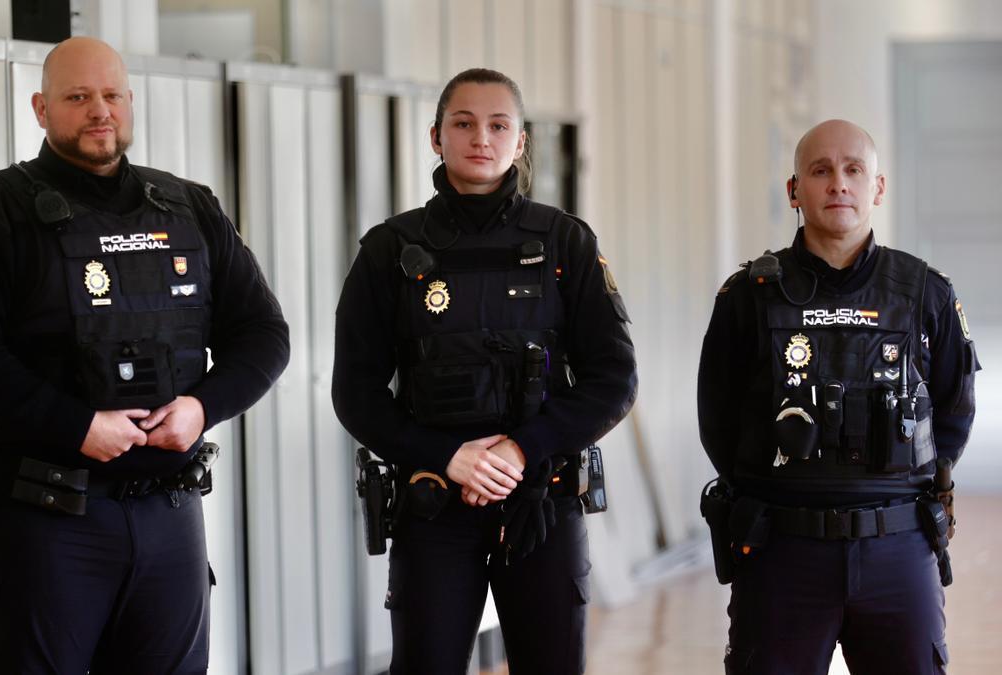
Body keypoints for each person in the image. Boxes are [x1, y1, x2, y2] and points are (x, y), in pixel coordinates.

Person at [0, 37, 289, 674]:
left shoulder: (189, 207)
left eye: (112, 95)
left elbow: (263, 333)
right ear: (41, 109)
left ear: (131, 102)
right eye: (78, 97)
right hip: (45, 520)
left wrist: (201, 409)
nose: (100, 111)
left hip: (168, 512)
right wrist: (78, 427)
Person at [332, 68, 637, 674]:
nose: (481, 138)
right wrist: (446, 456)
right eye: (463, 123)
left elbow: (614, 380)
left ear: (521, 142)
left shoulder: (565, 242)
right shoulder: (389, 251)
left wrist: (521, 452)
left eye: (499, 125)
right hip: (435, 508)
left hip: (542, 504)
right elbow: (356, 393)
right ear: (435, 136)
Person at [698, 119, 980, 675]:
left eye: (854, 170)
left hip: (898, 550)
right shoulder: (748, 296)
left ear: (877, 187)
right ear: (794, 189)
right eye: (821, 171)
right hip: (782, 551)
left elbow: (955, 407)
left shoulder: (927, 292)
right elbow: (718, 416)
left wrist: (910, 485)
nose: (838, 185)